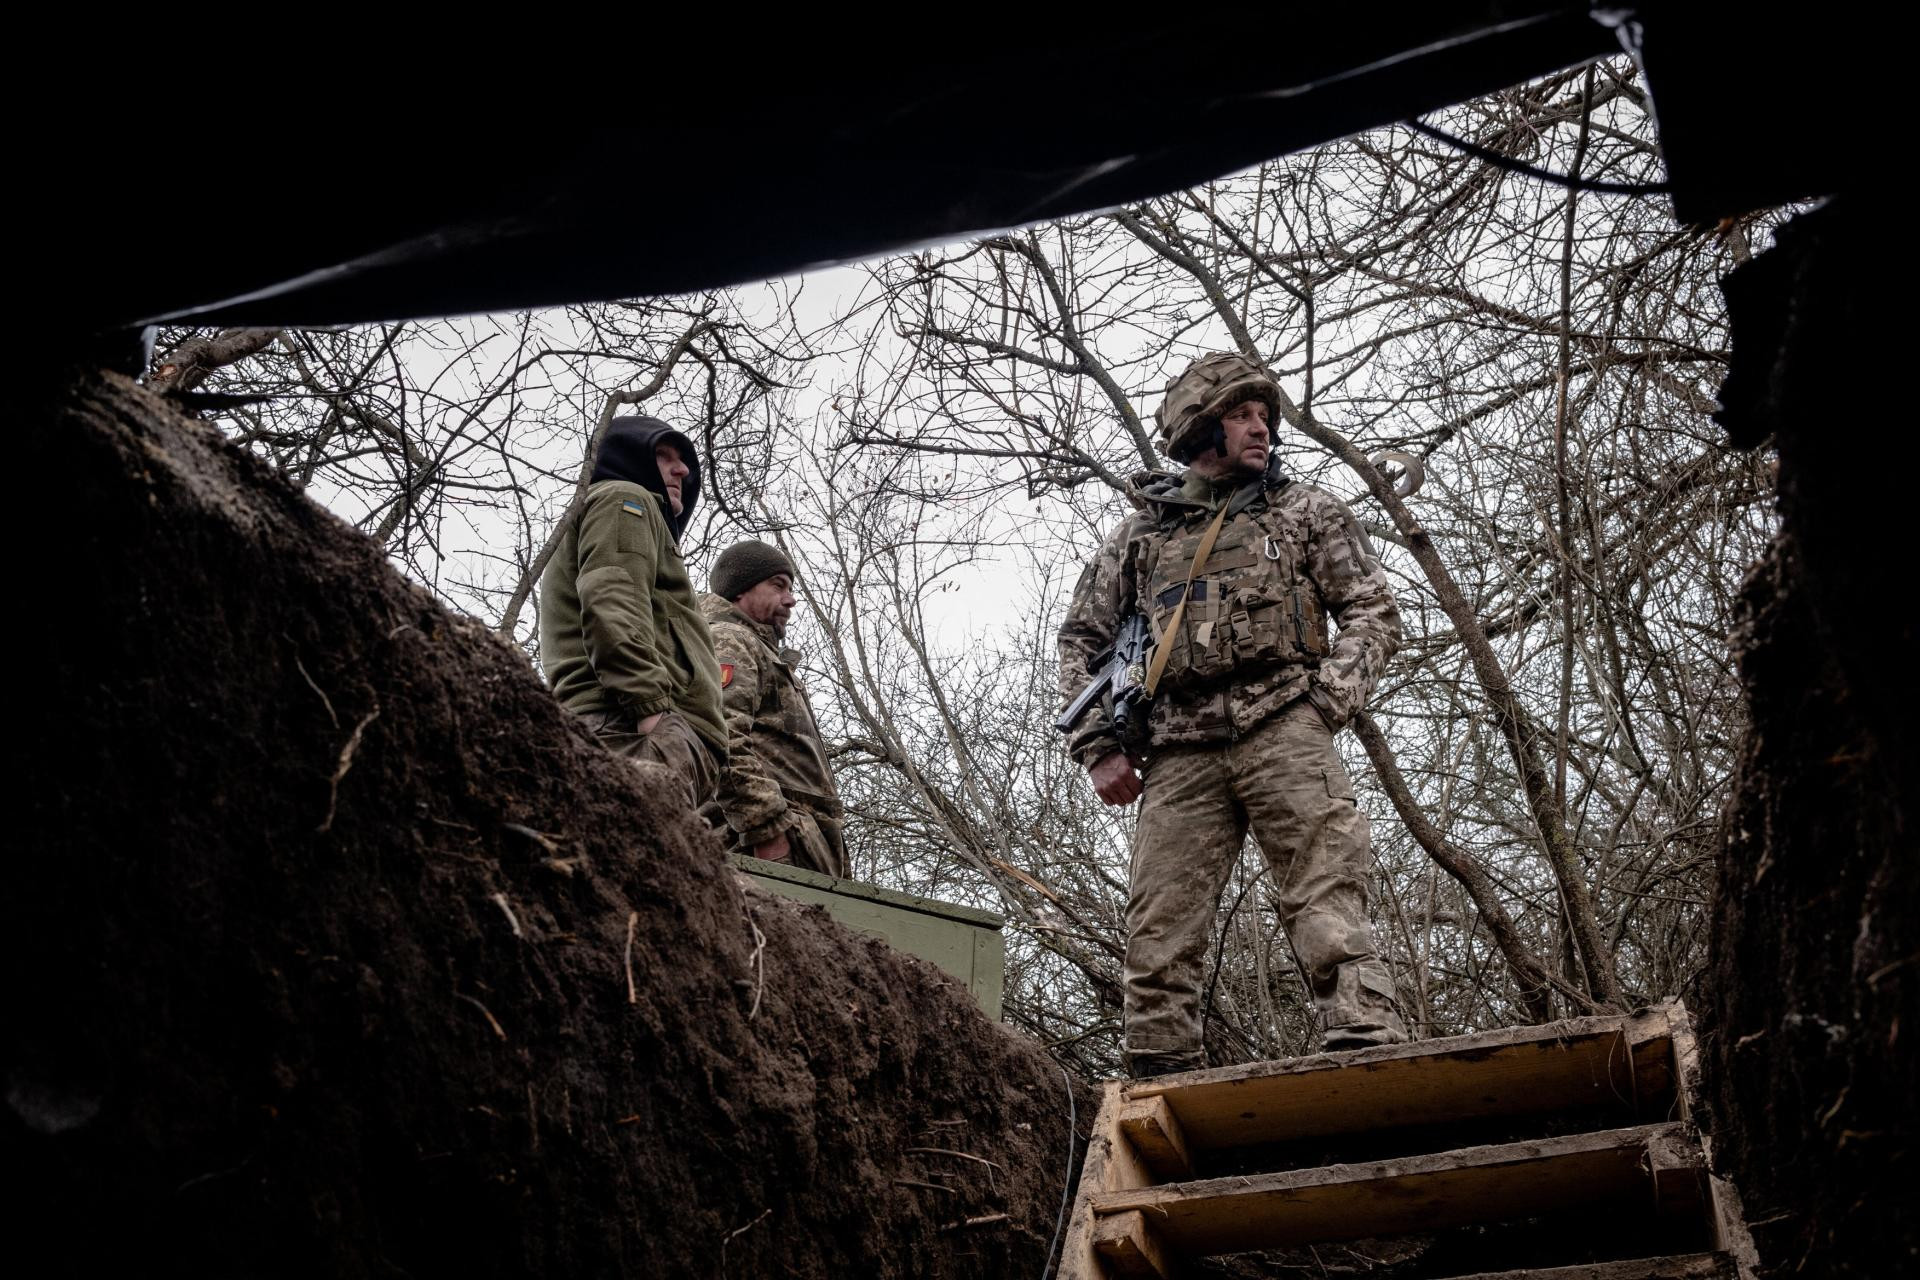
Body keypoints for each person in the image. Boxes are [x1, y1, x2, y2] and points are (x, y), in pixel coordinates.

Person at [1057, 352, 1409, 1076]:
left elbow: (1374, 612)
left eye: (1265, 416)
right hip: (1179, 748)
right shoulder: (1141, 536)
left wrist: (1324, 702)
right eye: (1242, 415)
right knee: (1159, 923)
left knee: (1328, 893)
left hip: (1284, 725)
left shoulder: (1305, 511)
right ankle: (1159, 1069)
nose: (1262, 429)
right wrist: (1098, 746)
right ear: (1199, 430)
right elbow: (1080, 642)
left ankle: (1365, 1038)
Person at [539, 415, 726, 807]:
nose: (682, 469)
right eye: (664, 455)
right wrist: (652, 710)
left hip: (638, 728)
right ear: (627, 456)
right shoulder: (625, 499)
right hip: (631, 727)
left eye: (682, 459)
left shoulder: (628, 509)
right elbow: (611, 603)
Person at [699, 541, 847, 876]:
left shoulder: (758, 648)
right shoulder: (731, 640)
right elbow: (720, 739)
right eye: (778, 586)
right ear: (740, 589)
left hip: (799, 839)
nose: (790, 599)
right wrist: (767, 829)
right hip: (765, 842)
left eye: (790, 589)